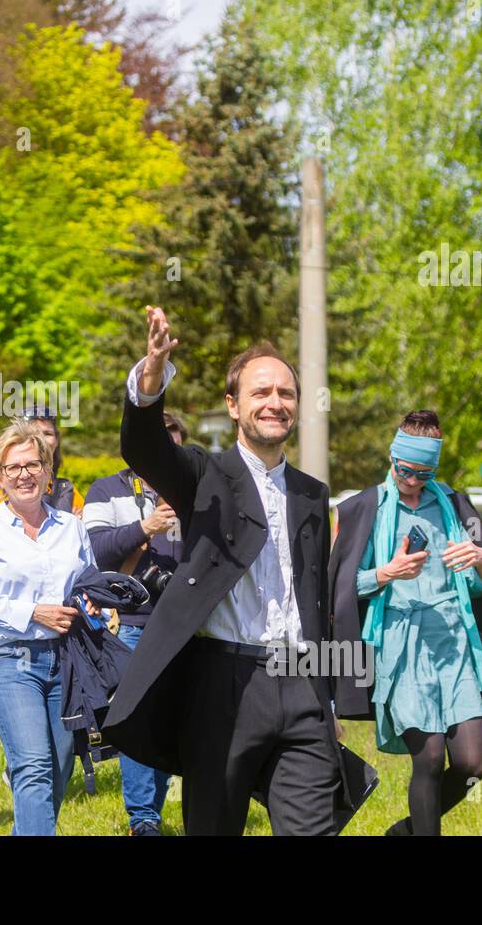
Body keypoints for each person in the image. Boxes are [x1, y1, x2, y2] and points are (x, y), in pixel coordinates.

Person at [102, 307, 345, 836]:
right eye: (261, 393)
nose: (275, 403)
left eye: (285, 393)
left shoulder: (311, 494)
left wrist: (327, 694)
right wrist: (151, 376)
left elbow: (315, 598)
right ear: (234, 406)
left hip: (299, 681)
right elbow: (143, 445)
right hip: (224, 683)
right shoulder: (204, 474)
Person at [328, 410, 482, 836]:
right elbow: (341, 587)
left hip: (456, 644)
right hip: (401, 646)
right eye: (405, 469)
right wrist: (387, 572)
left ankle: (404, 831)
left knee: (473, 764)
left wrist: (480, 562)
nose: (413, 480)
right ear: (392, 455)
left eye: (425, 472)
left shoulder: (454, 505)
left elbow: (480, 588)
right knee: (429, 757)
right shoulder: (362, 509)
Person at [0, 418, 98, 835]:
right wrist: (33, 612)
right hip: (10, 660)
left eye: (33, 464)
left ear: (48, 470)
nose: (24, 474)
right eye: (13, 468)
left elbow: (89, 581)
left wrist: (92, 602)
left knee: (60, 766)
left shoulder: (72, 527)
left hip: (66, 662)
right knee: (33, 765)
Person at [81, 410, 187, 836]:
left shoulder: (195, 493)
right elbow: (94, 551)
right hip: (131, 622)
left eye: (174, 450)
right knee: (140, 717)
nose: (166, 458)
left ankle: (153, 813)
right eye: (158, 448)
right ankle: (143, 819)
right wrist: (145, 525)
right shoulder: (106, 490)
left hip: (184, 626)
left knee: (169, 721)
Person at [0, 407, 85, 514]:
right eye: (35, 432)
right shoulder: (6, 483)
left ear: (56, 441)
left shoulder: (65, 488)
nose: (41, 439)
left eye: (47, 433)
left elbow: (83, 520)